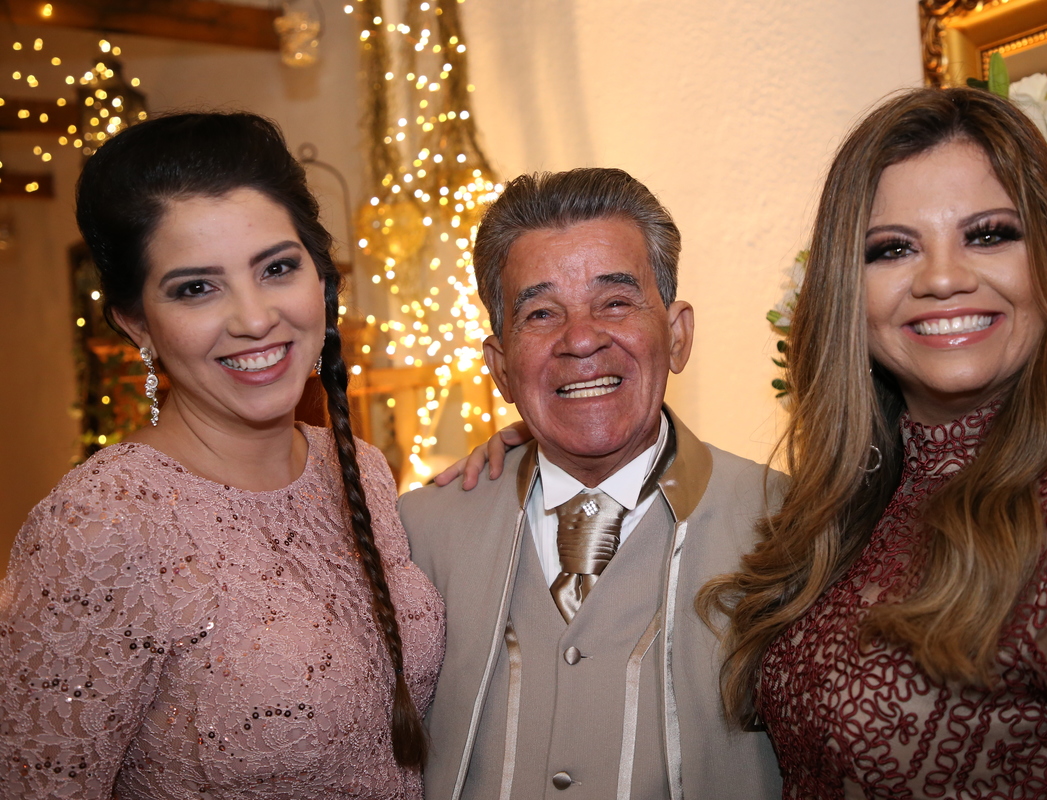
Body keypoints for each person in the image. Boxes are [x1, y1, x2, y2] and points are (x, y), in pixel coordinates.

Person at [697, 87, 1047, 798]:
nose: (942, 279)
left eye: (988, 235)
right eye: (893, 248)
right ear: (848, 290)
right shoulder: (859, 495)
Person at [0, 113, 444, 799]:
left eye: (277, 268)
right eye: (196, 288)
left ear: (321, 278)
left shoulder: (362, 468)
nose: (255, 318)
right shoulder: (100, 524)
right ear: (137, 324)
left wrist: (517, 462)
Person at [399, 167, 783, 800]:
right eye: (541, 312)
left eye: (616, 302)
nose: (580, 339)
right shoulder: (419, 535)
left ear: (678, 335)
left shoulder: (789, 524)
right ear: (500, 366)